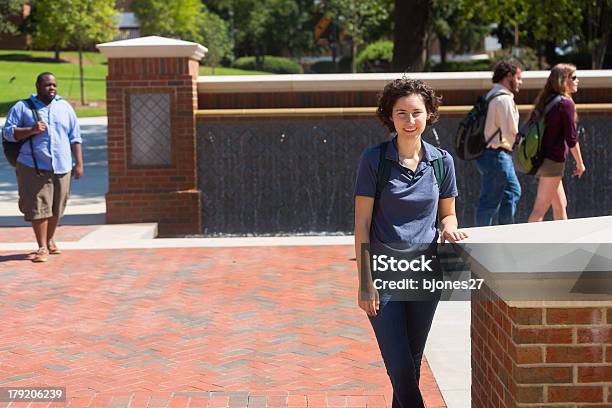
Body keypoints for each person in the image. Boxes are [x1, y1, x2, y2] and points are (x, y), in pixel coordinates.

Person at [354, 78, 468, 408]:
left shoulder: (442, 161)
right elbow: (361, 224)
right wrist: (365, 282)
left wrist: (449, 229)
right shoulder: (374, 160)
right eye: (401, 113)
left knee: (412, 368)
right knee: (400, 370)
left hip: (424, 273)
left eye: (416, 112)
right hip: (383, 273)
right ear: (389, 116)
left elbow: (448, 214)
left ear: (429, 115)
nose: (409, 120)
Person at [2, 72, 83, 262]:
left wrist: (79, 163)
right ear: (38, 86)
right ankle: (42, 246)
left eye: (54, 84)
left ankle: (50, 239)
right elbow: (8, 133)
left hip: (62, 165)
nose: (52, 88)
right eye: (47, 85)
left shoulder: (65, 107)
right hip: (33, 165)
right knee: (39, 207)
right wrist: (31, 130)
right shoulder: (22, 107)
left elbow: (75, 137)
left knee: (57, 207)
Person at [527, 64, 585, 222]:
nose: (577, 81)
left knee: (560, 206)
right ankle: (525, 245)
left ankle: (564, 245)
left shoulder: (548, 101)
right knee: (539, 210)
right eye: (574, 77)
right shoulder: (565, 104)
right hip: (553, 161)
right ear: (564, 80)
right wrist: (580, 163)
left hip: (543, 159)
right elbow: (571, 138)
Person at [475, 61, 523, 226]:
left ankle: (504, 233)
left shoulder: (491, 95)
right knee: (490, 201)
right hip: (497, 155)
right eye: (518, 78)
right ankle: (482, 241)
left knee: (511, 192)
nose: (520, 82)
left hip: (490, 154)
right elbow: (511, 131)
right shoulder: (503, 99)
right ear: (509, 76)